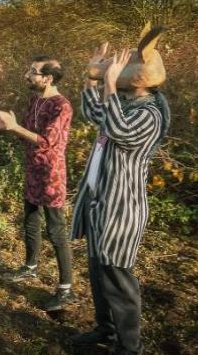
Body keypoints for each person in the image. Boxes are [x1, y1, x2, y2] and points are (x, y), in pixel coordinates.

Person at [68, 27, 171, 355]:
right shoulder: (125, 104)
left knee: (117, 278)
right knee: (99, 272)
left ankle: (129, 347)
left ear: (140, 77)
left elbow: (118, 130)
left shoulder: (149, 114)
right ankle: (106, 329)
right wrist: (92, 79)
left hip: (121, 208)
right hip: (98, 203)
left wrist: (110, 84)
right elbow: (95, 113)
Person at [0, 55, 74, 311]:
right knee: (30, 220)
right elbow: (27, 132)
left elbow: (46, 141)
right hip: (32, 170)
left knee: (56, 230)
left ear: (47, 78)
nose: (27, 75)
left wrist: (15, 127)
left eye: (33, 71)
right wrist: (9, 126)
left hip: (51, 175)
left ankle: (66, 289)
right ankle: (30, 267)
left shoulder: (61, 106)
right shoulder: (36, 99)